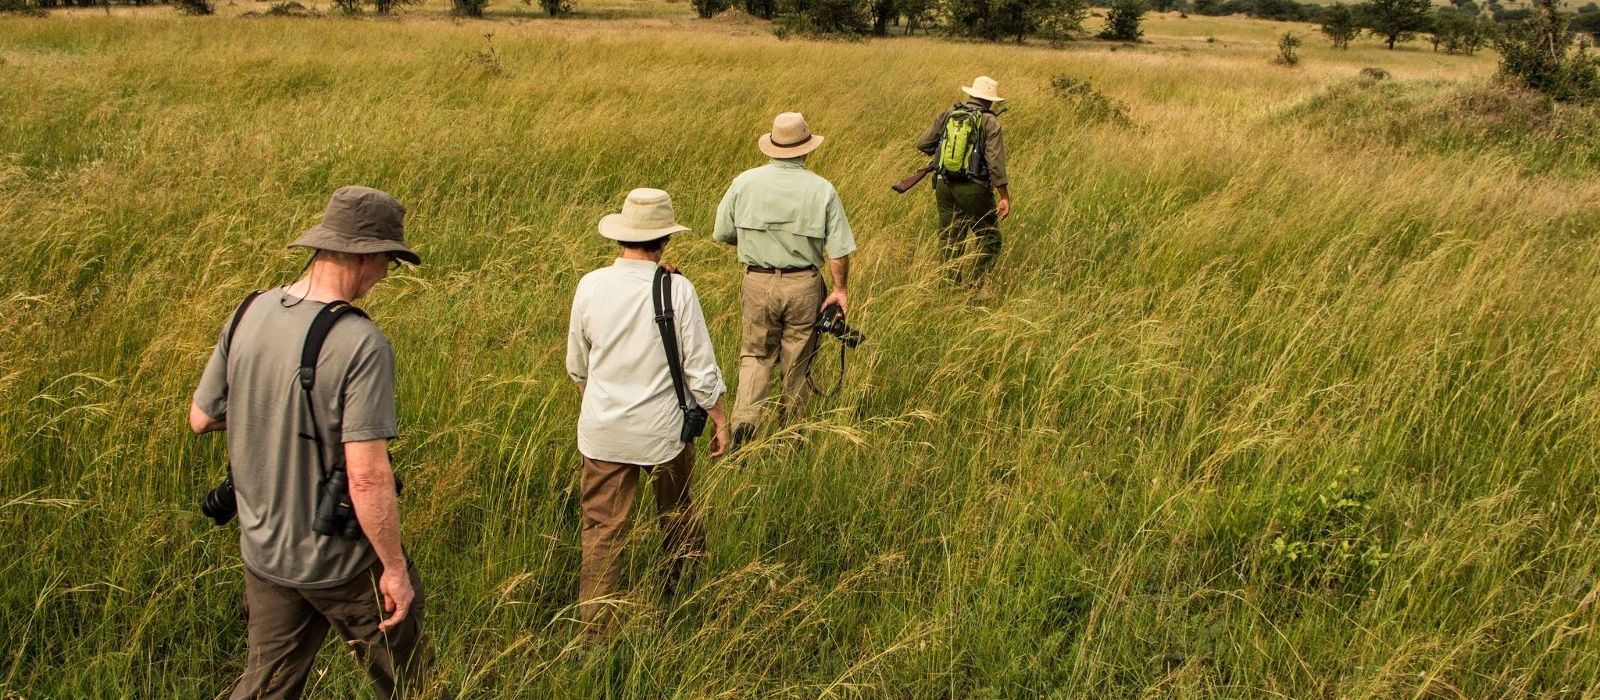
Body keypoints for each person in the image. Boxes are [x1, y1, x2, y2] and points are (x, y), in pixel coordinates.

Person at [190, 186, 433, 699]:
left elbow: (202, 417)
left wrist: (272, 411)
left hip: (265, 551)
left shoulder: (249, 311)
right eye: (388, 261)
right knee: (411, 685)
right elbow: (366, 476)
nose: (385, 274)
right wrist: (394, 569)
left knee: (266, 685)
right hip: (341, 561)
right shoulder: (361, 343)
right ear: (365, 255)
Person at [566, 188, 730, 635]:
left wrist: (597, 405)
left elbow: (577, 365)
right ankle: (684, 597)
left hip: (603, 432)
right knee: (677, 514)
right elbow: (700, 368)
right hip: (663, 433)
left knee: (601, 532)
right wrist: (719, 418)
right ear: (665, 240)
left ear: (622, 236)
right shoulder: (677, 289)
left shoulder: (590, 285)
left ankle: (595, 632)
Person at [712, 112, 857, 448]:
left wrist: (757, 245)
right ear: (806, 149)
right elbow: (838, 252)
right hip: (803, 284)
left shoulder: (744, 182)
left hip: (757, 281)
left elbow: (722, 232)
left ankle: (745, 425)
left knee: (755, 356)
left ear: (772, 146)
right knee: (798, 361)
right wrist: (839, 290)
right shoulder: (822, 189)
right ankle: (791, 434)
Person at [916, 76, 1010, 284]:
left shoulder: (949, 113)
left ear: (971, 94)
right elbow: (995, 163)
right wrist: (1004, 195)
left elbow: (923, 143)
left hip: (944, 183)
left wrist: (943, 154)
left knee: (951, 237)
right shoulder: (990, 121)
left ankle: (950, 287)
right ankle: (977, 286)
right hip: (974, 188)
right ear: (991, 100)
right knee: (990, 238)